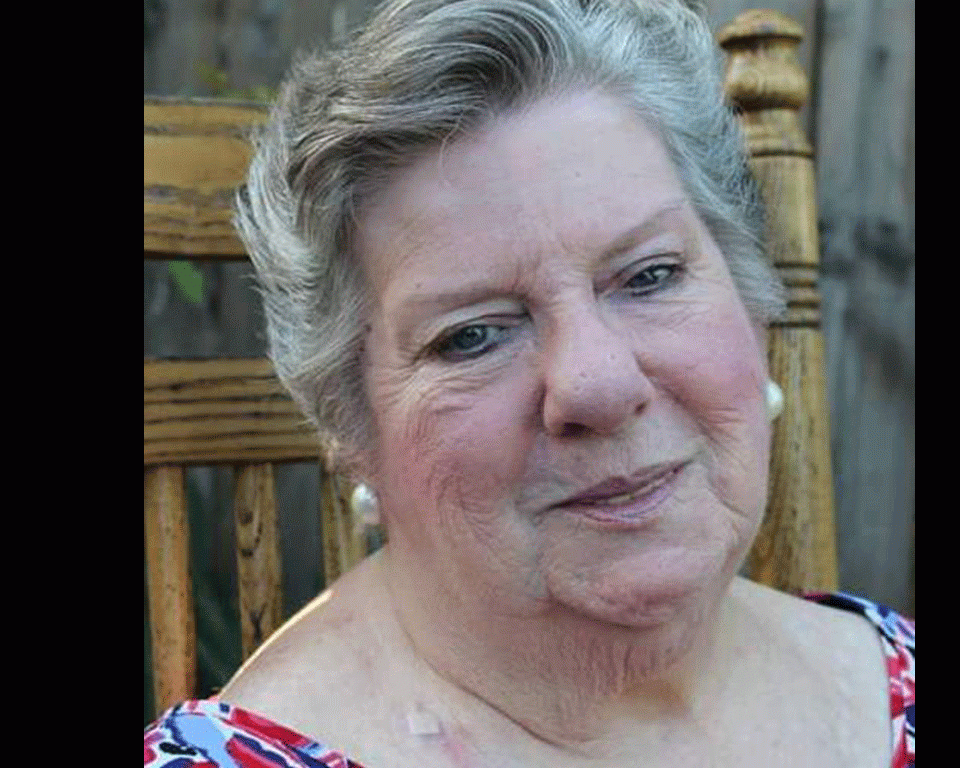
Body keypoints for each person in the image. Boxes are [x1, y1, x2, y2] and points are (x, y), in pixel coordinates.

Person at [143, 1, 914, 766]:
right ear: (352, 431)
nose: (599, 385)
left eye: (650, 275)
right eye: (472, 335)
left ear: (752, 304)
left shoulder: (897, 674)